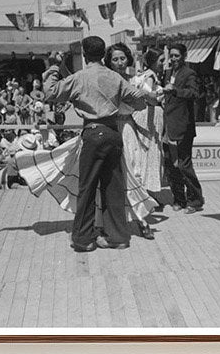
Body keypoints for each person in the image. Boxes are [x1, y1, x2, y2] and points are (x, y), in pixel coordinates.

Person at [37, 36, 159, 252]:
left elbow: (51, 93)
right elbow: (139, 100)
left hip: (92, 133)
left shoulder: (79, 78)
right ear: (103, 55)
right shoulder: (114, 77)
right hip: (113, 133)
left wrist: (54, 67)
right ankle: (118, 237)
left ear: (84, 55)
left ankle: (84, 240)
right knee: (114, 186)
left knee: (88, 187)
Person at [106, 44, 163, 239]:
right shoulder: (107, 81)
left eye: (122, 58)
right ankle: (108, 221)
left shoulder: (137, 79)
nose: (120, 62)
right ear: (109, 62)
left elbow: (154, 99)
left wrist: (147, 94)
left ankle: (142, 220)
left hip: (128, 129)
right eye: (115, 59)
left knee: (134, 171)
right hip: (110, 127)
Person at [161, 42, 204, 214]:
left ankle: (195, 200)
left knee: (184, 165)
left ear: (184, 56)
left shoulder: (189, 73)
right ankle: (179, 198)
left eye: (176, 56)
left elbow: (194, 93)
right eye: (171, 56)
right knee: (170, 165)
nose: (173, 59)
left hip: (183, 126)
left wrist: (176, 90)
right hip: (168, 124)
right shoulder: (168, 72)